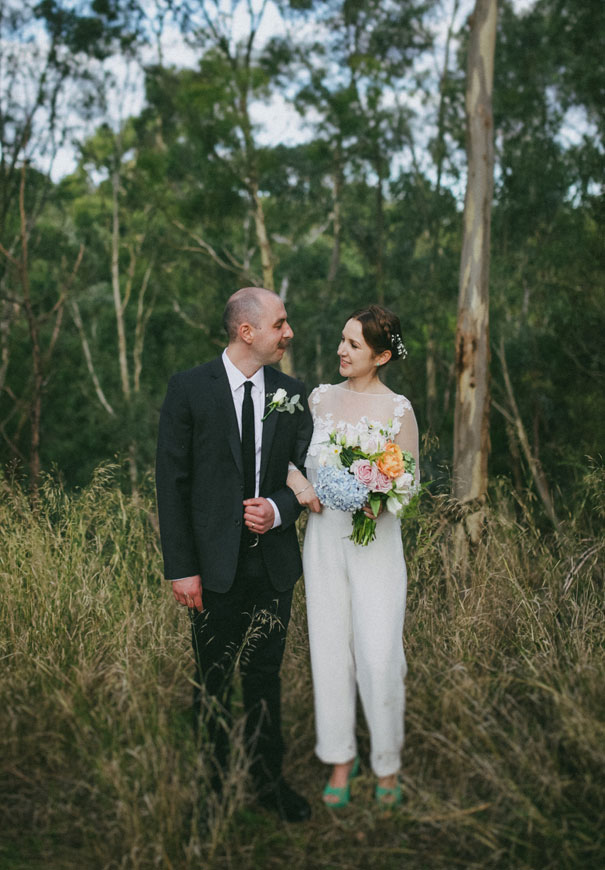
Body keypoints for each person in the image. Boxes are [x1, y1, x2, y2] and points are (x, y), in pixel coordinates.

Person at [155, 286, 319, 823]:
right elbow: (171, 484)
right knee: (213, 682)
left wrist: (278, 509)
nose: (288, 332)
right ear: (246, 331)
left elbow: (306, 472)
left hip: (272, 565)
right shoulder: (188, 389)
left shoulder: (292, 393)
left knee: (265, 679)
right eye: (280, 323)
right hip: (211, 568)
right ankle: (213, 793)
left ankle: (268, 784)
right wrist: (182, 568)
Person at [287, 304, 419, 807]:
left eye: (354, 345)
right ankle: (341, 757)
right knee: (329, 651)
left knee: (380, 656)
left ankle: (387, 762)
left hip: (376, 545)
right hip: (323, 541)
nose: (341, 350)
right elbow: (286, 459)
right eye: (343, 339)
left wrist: (379, 497)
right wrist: (300, 484)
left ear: (381, 356)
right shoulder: (319, 399)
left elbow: (410, 484)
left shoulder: (399, 409)